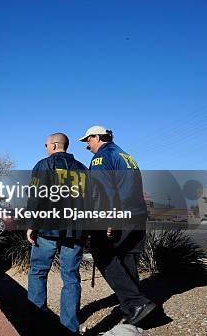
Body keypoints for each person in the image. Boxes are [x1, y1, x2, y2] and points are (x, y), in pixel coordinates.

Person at [80, 125, 156, 326]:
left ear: (97, 137)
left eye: (88, 140)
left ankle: (136, 303)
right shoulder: (125, 156)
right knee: (127, 259)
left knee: (103, 255)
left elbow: (104, 190)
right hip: (137, 215)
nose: (87, 145)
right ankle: (136, 310)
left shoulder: (102, 158)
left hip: (119, 215)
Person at [26, 132, 88, 335]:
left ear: (53, 145)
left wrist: (31, 224)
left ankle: (36, 323)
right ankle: (69, 328)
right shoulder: (83, 169)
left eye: (45, 144)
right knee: (71, 278)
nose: (45, 148)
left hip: (47, 229)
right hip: (75, 231)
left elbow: (35, 197)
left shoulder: (43, 165)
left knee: (38, 272)